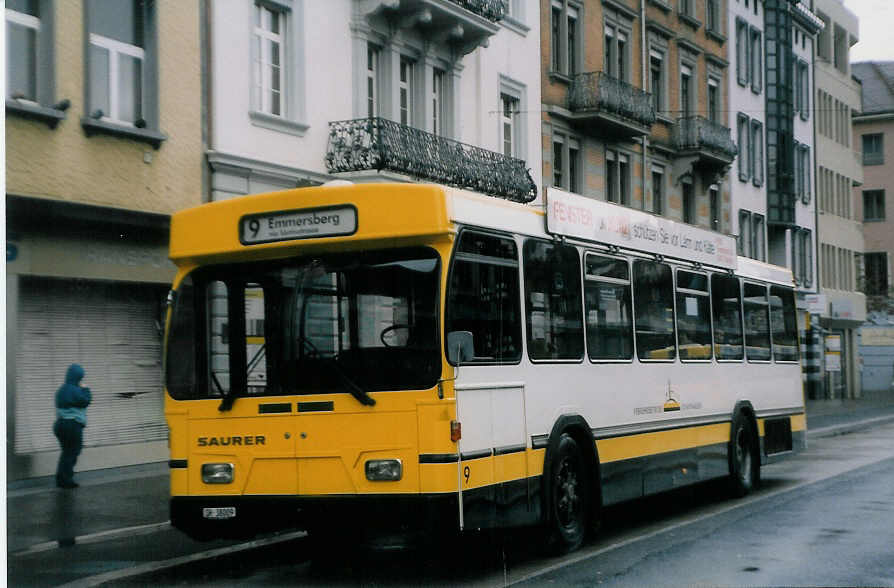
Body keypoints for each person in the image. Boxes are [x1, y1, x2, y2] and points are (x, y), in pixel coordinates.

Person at [54, 364, 91, 489]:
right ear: (79, 376)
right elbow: (86, 401)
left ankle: (62, 477)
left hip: (60, 424)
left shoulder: (61, 390)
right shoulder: (75, 390)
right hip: (72, 425)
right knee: (72, 452)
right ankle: (65, 480)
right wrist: (86, 389)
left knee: (67, 452)